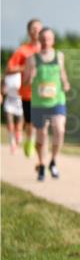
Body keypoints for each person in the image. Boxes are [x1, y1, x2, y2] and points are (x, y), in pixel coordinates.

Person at [23, 27, 70, 180]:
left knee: (59, 130)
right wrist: (31, 76)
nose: (45, 42)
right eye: (42, 39)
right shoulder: (32, 59)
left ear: (53, 40)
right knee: (41, 135)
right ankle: (42, 164)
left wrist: (65, 82)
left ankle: (53, 162)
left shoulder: (59, 56)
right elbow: (24, 82)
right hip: (39, 102)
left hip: (57, 100)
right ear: (39, 40)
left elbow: (62, 72)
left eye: (48, 39)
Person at [5, 18, 42, 157]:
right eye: (34, 29)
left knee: (44, 124)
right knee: (30, 124)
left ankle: (36, 146)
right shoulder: (22, 50)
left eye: (39, 28)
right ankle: (29, 139)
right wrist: (24, 67)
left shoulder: (47, 50)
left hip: (45, 94)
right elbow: (9, 69)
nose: (37, 31)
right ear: (29, 32)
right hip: (27, 93)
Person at [2, 71, 24, 154]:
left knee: (18, 127)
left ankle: (18, 136)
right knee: (10, 124)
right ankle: (12, 143)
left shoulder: (21, 73)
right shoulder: (7, 75)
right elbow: (2, 89)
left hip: (19, 102)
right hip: (9, 102)